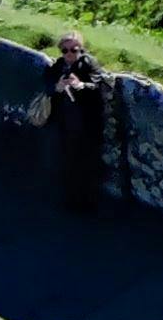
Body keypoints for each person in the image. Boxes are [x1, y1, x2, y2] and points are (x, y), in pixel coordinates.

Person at [42, 35, 112, 218]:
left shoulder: (88, 64)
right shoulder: (59, 66)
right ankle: (70, 200)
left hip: (86, 124)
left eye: (74, 50)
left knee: (88, 164)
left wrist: (81, 86)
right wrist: (57, 87)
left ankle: (88, 203)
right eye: (65, 50)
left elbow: (98, 86)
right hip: (66, 122)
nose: (70, 54)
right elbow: (47, 83)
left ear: (81, 50)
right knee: (68, 162)